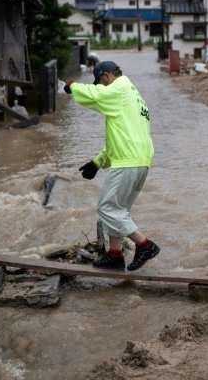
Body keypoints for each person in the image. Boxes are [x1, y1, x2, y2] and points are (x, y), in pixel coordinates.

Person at [64, 61, 160, 271]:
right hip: (140, 161)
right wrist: (97, 162)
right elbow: (122, 137)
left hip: (127, 163)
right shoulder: (135, 97)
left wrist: (73, 86)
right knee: (118, 210)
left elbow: (95, 95)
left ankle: (144, 245)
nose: (101, 87)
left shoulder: (120, 88)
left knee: (106, 208)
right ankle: (115, 255)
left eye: (101, 82)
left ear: (107, 76)